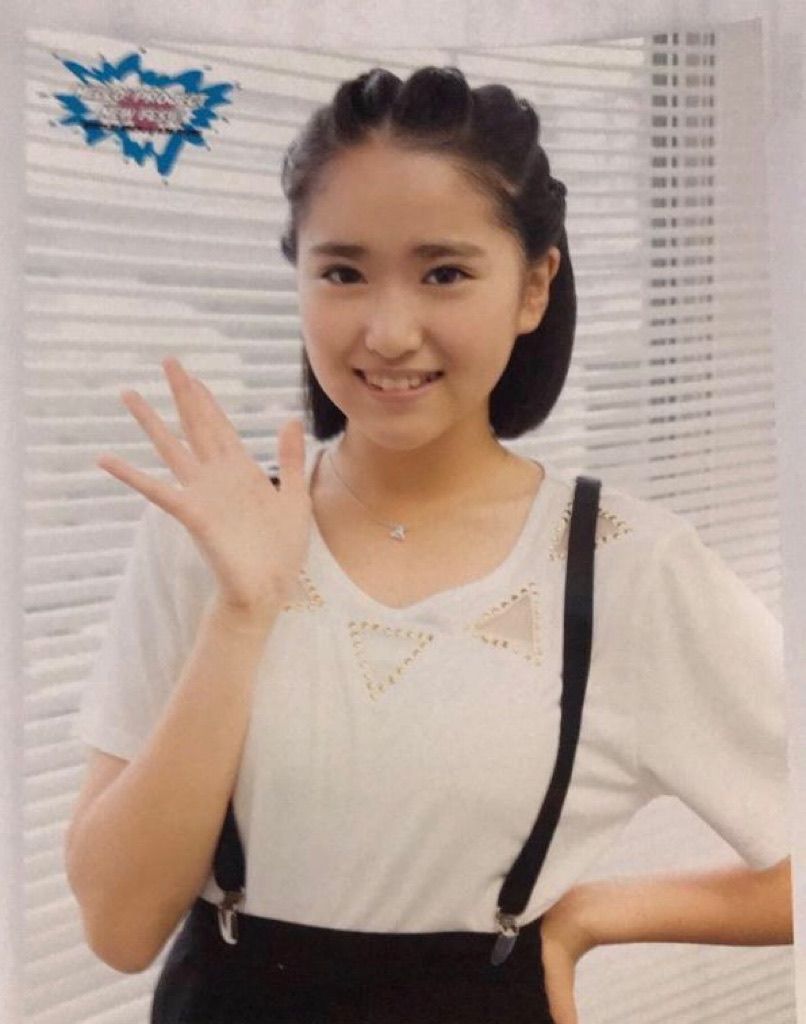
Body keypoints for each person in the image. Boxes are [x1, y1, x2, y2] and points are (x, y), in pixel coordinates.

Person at [65, 66, 792, 1024]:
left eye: (444, 273)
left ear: (534, 285)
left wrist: (592, 917)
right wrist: (242, 612)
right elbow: (119, 930)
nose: (389, 331)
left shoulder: (629, 570)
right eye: (343, 272)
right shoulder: (206, 535)